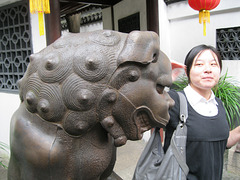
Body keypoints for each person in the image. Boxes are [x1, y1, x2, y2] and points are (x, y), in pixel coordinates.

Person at [164, 44, 240, 180]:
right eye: (199, 64)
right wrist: (159, 80)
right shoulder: (174, 100)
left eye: (213, 64)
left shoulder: (219, 104)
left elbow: (221, 142)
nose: (208, 70)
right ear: (187, 72)